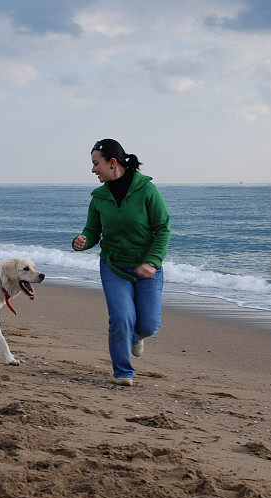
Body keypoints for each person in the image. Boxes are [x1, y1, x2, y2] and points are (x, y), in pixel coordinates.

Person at [72, 139, 171, 386]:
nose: (93, 170)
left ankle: (133, 337)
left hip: (147, 268)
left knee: (149, 324)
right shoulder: (98, 197)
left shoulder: (147, 190)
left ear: (112, 163)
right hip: (113, 266)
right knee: (121, 319)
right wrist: (83, 240)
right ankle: (122, 373)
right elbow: (93, 231)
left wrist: (153, 261)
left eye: (96, 164)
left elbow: (163, 229)